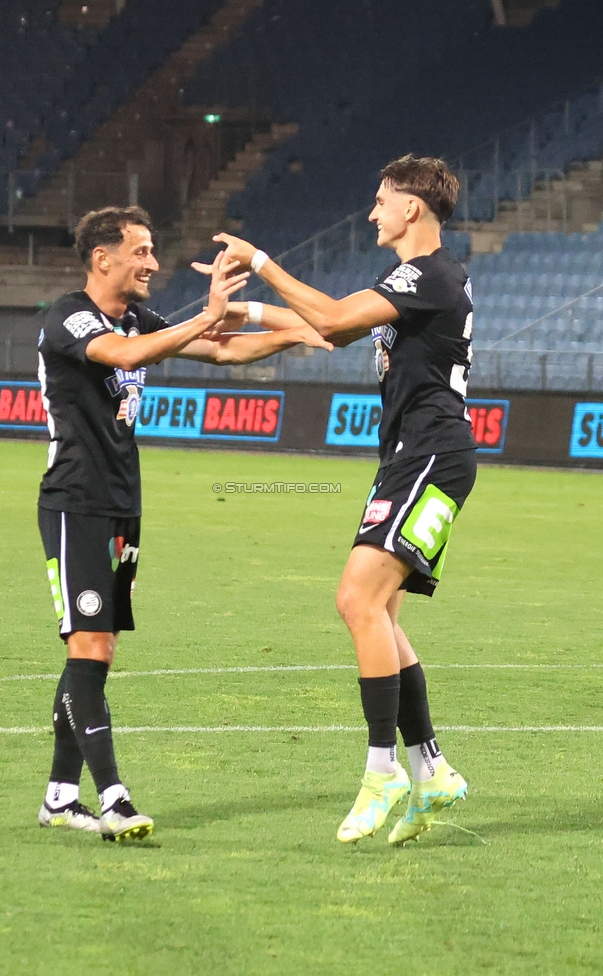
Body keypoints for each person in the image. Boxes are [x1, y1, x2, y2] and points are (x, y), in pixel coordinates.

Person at [36, 205, 330, 842]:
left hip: (122, 505)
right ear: (102, 258)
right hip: (74, 505)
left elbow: (219, 351)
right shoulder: (71, 316)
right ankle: (112, 798)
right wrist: (208, 312)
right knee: (88, 646)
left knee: (97, 651)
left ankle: (60, 796)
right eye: (140, 251)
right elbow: (128, 353)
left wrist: (299, 330)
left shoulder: (136, 315)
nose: (152, 262)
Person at [206, 155, 476, 845]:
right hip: (413, 461)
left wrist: (260, 260)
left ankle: (382, 768)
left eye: (382, 200)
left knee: (356, 599)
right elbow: (325, 328)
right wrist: (237, 311)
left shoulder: (429, 275)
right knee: (379, 613)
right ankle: (431, 766)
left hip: (431, 457)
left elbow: (329, 316)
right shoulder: (412, 282)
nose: (372, 212)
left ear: (412, 208)